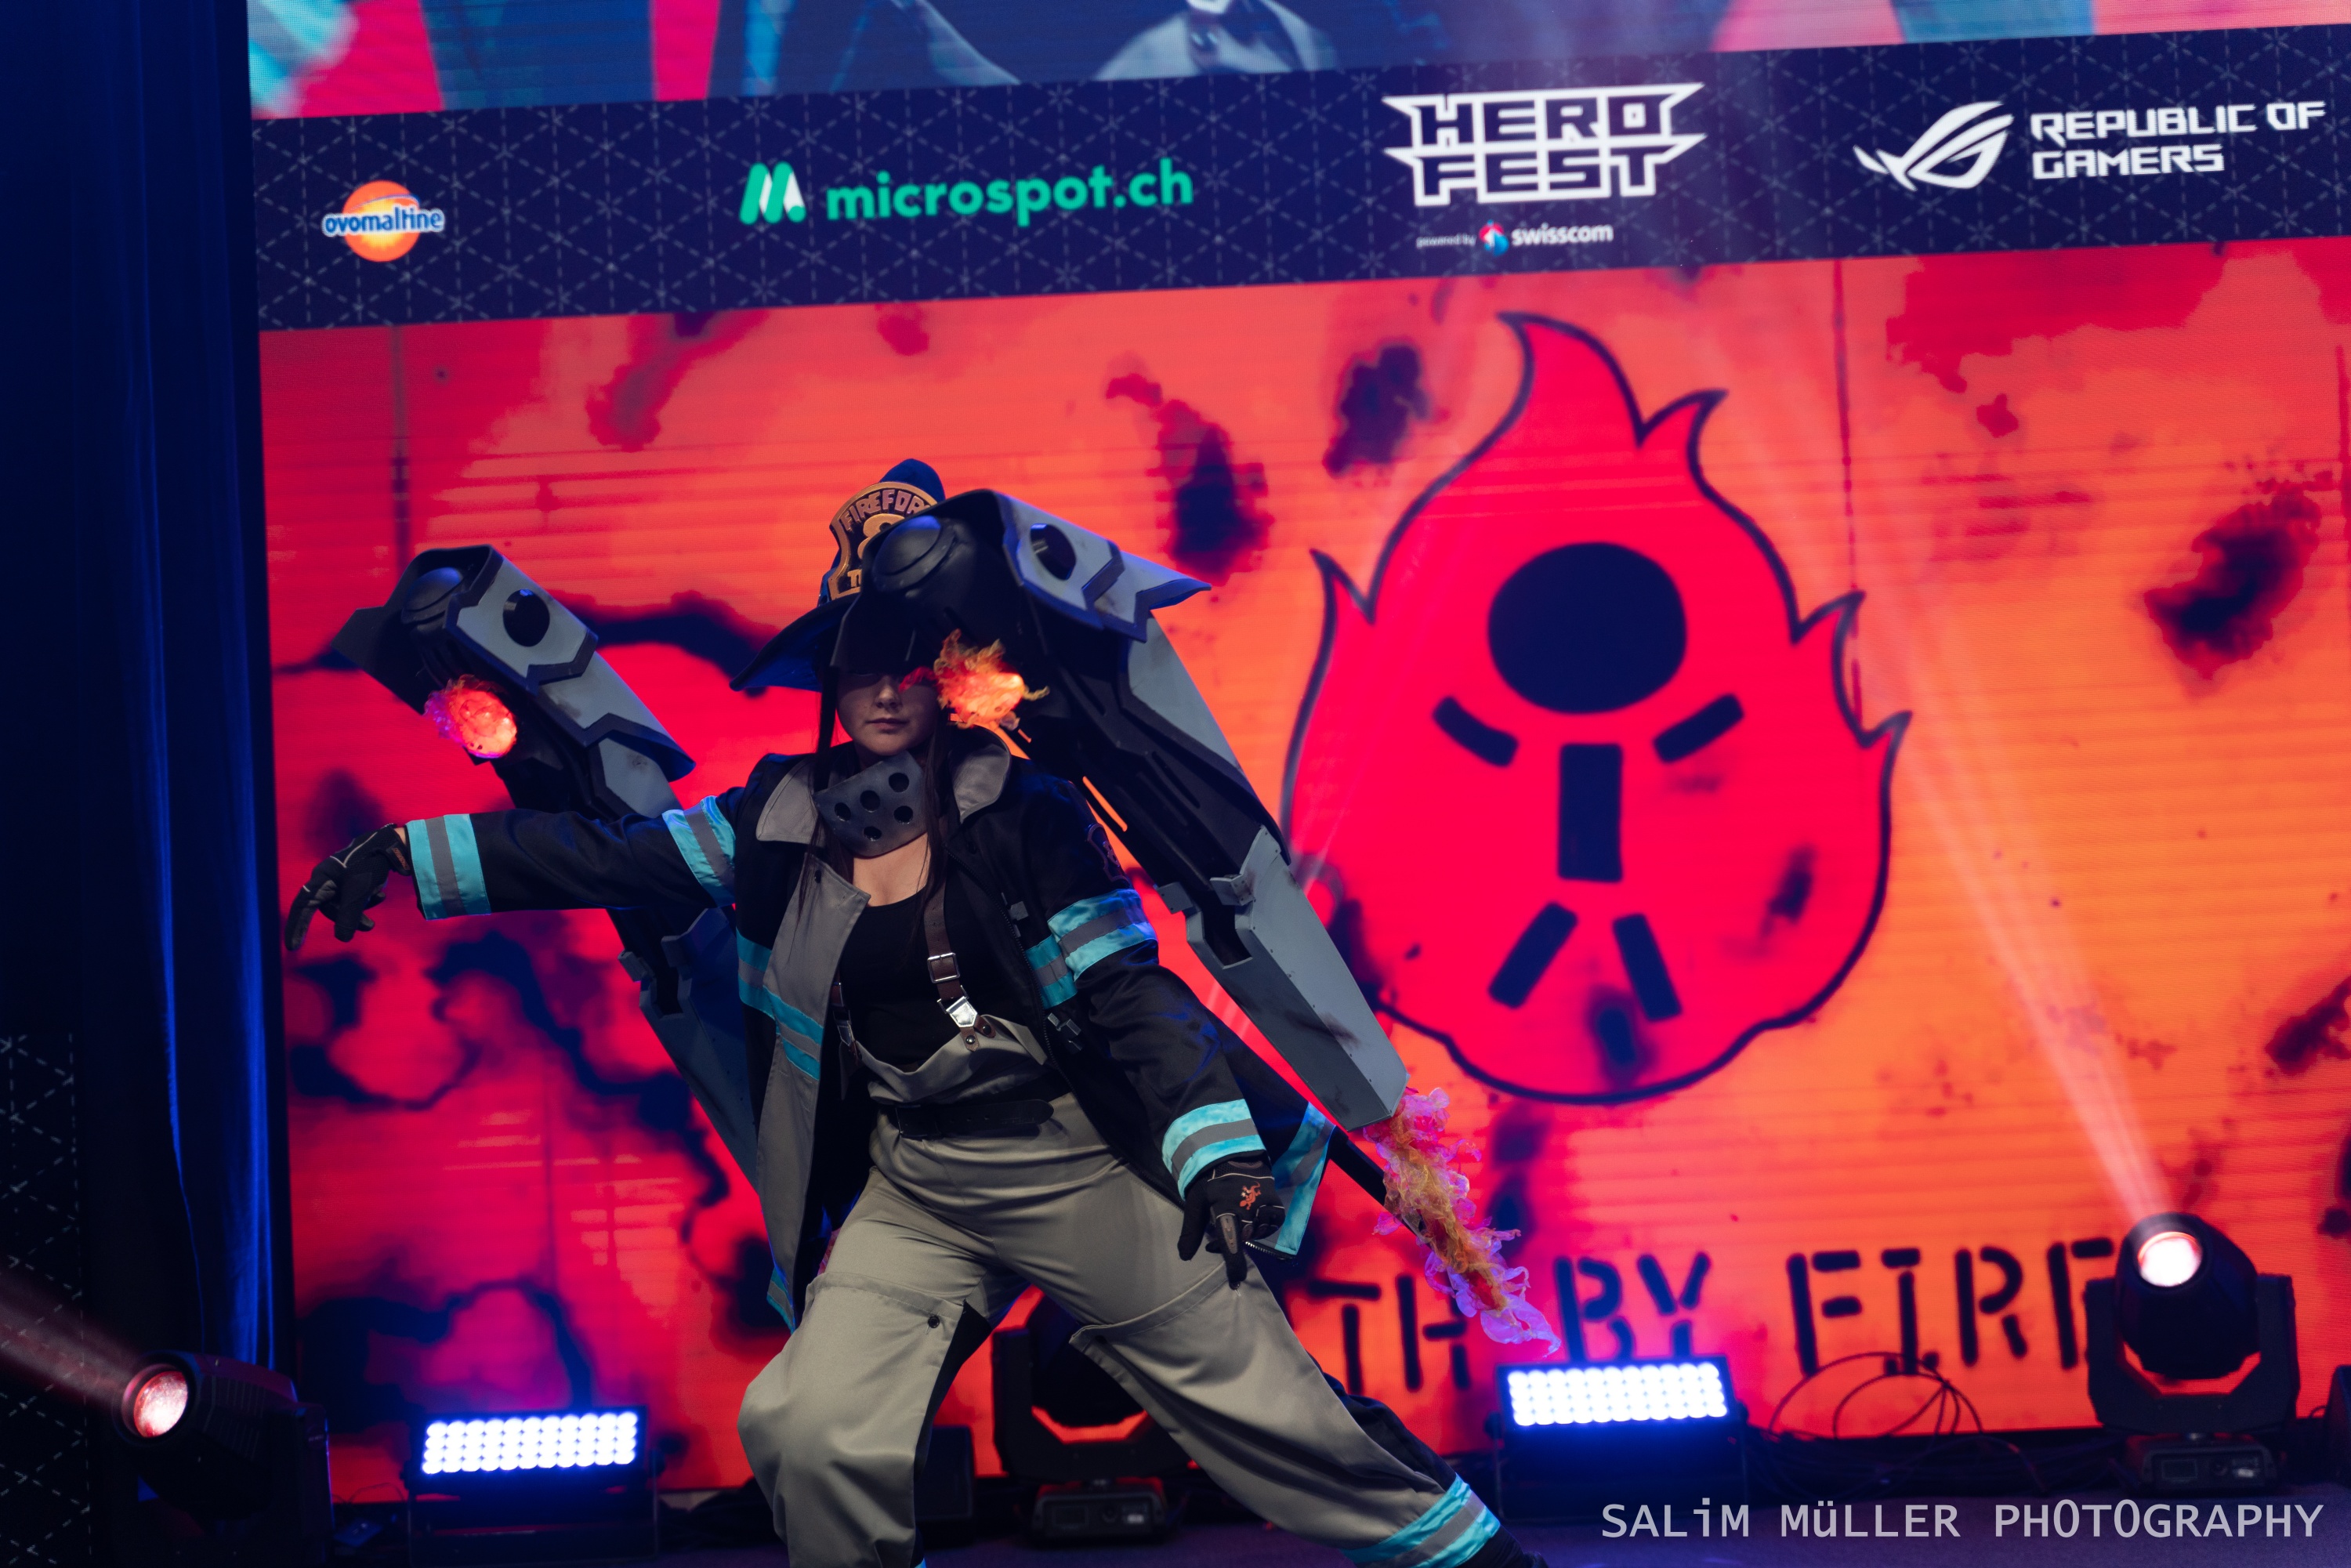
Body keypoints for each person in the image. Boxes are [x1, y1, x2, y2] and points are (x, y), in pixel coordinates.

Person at [287, 462, 1541, 1568]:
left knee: (1290, 1433)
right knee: (807, 1427)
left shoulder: (1026, 811)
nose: (884, 689)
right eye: (860, 664)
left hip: (1079, 1165)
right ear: (831, 680)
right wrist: (405, 852)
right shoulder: (778, 813)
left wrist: (1210, 1149)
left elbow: (1127, 992)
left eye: (906, 661)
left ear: (941, 676)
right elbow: (611, 857)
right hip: (920, 1190)